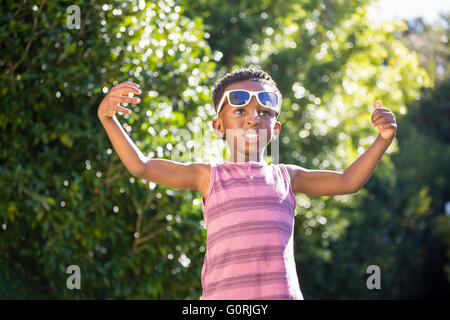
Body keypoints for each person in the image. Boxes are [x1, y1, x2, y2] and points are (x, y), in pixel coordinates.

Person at [97, 67, 397, 300]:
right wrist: (109, 119)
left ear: (275, 129)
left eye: (264, 113)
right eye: (240, 111)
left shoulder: (287, 177)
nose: (253, 119)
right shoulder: (208, 176)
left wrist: (381, 141)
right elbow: (143, 167)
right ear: (219, 126)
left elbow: (348, 181)